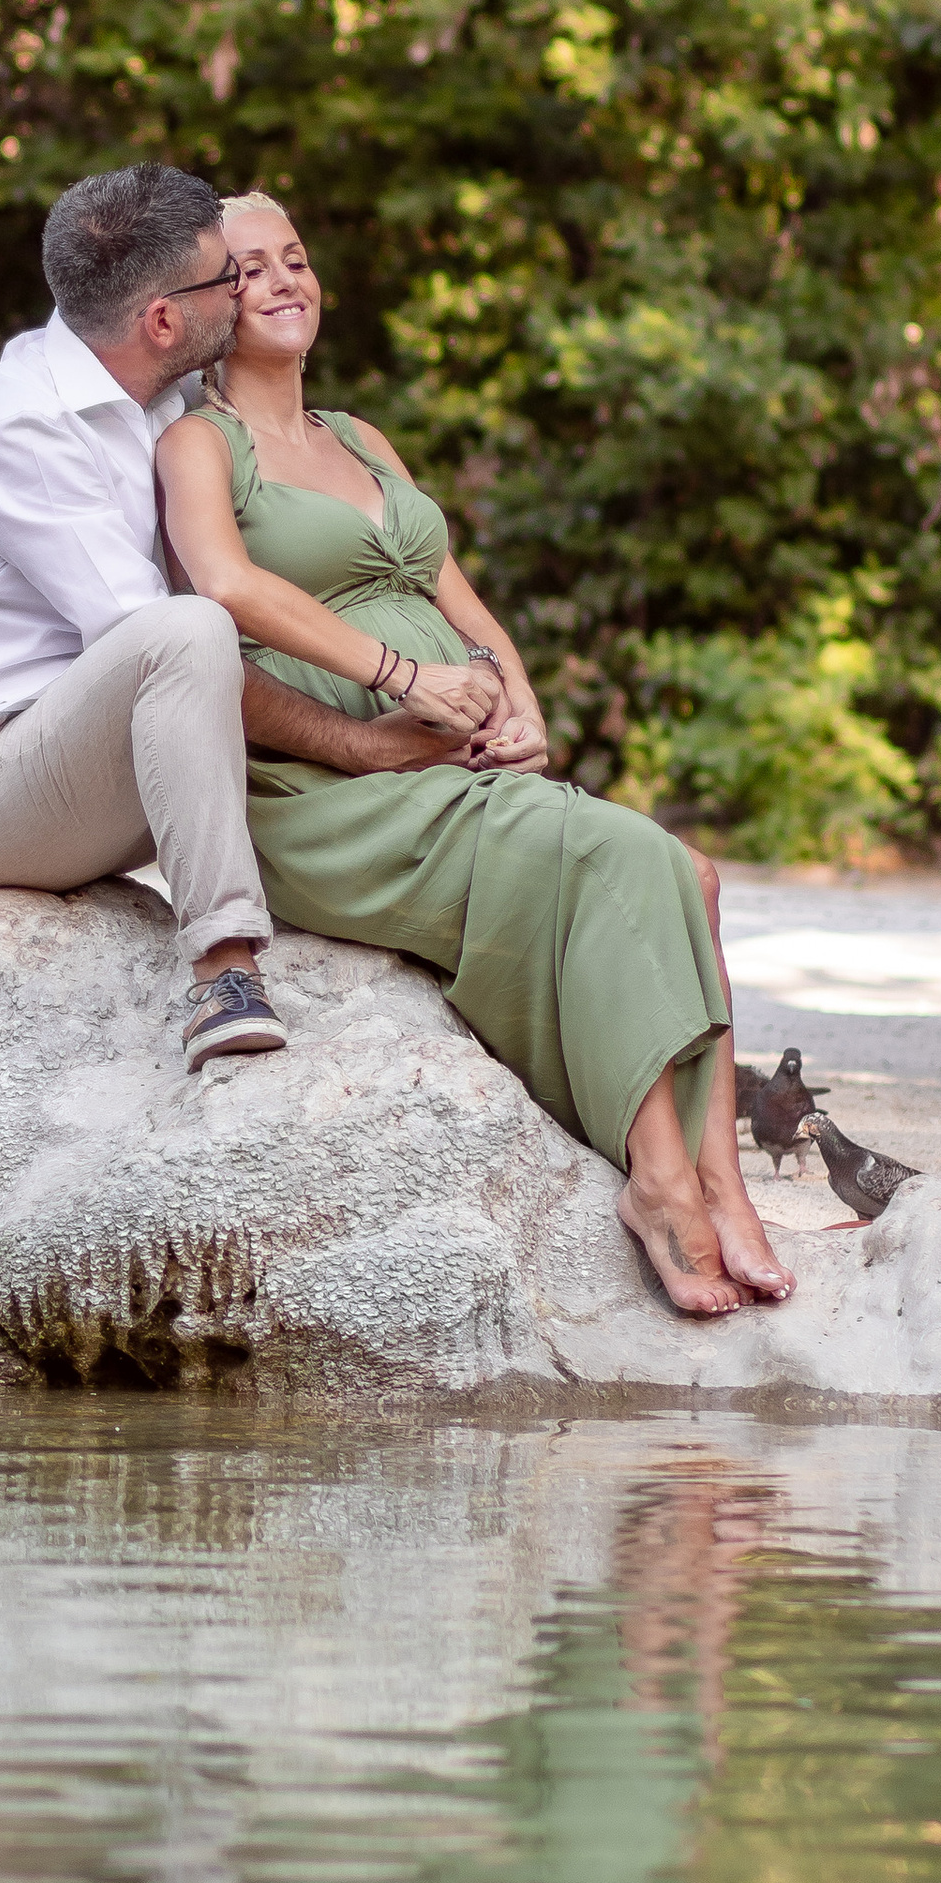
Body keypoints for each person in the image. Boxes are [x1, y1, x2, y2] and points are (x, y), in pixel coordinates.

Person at [156, 193, 792, 1315]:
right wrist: (396, 687)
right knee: (613, 858)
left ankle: (720, 1180)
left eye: (297, 258)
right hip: (328, 789)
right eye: (250, 269)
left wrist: (520, 700)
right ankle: (658, 1183)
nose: (284, 281)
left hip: (454, 763)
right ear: (209, 301)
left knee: (688, 874)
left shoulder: (360, 438)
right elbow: (222, 593)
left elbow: (460, 602)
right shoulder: (200, 444)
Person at [0, 165, 481, 1070]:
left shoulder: (169, 394)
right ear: (163, 319)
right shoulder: (27, 428)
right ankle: (222, 972)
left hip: (116, 757)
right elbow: (166, 647)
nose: (245, 292)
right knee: (189, 628)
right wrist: (360, 733)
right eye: (226, 279)